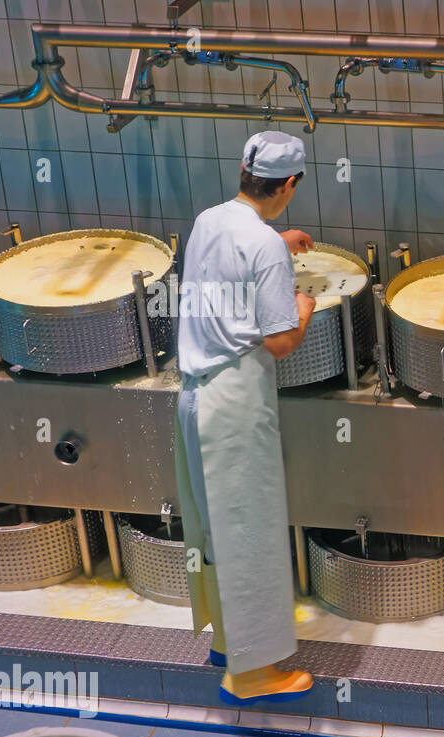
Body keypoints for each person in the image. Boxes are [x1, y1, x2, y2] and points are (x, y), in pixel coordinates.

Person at [173, 130, 317, 705]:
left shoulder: (209, 220)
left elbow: (231, 256)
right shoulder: (262, 248)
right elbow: (281, 342)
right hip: (233, 407)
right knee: (250, 535)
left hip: (191, 398)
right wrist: (303, 306)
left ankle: (228, 643)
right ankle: (254, 675)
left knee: (214, 530)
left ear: (242, 170)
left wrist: (277, 243)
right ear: (289, 185)